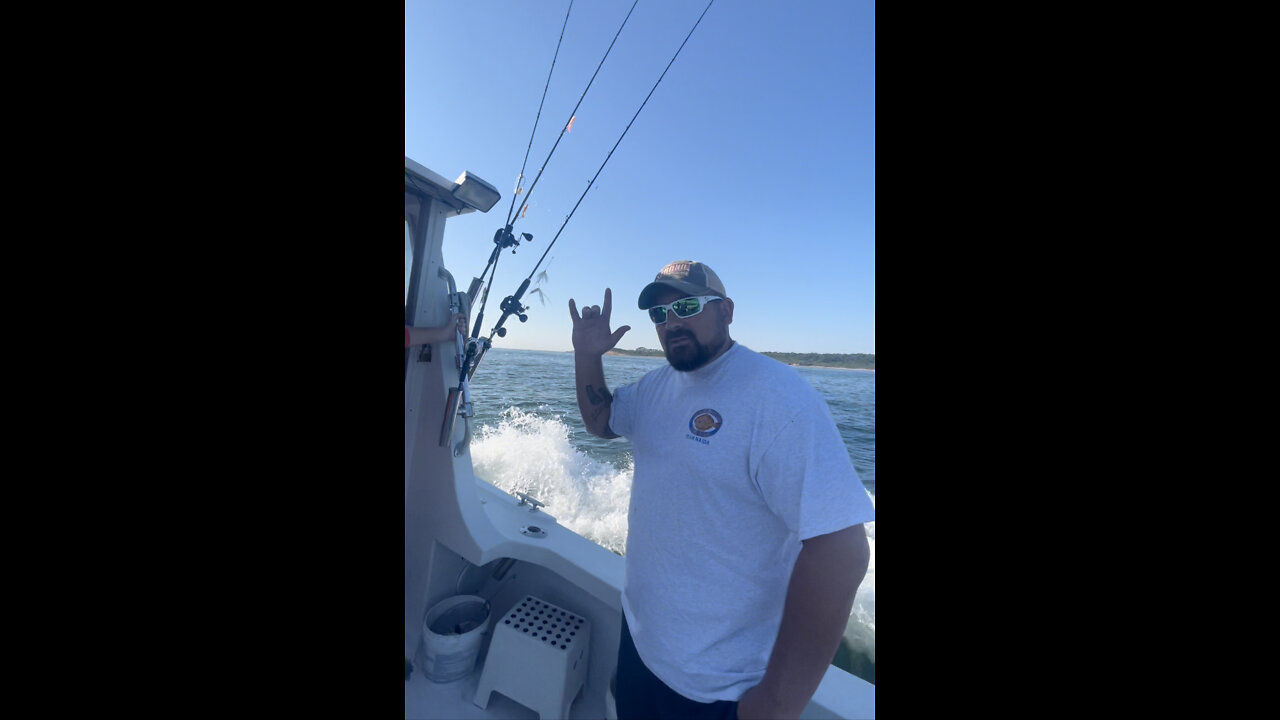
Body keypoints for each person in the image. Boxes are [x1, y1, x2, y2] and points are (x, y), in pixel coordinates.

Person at [568, 260, 874, 720]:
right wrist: (587, 356)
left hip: (717, 686)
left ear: (726, 311)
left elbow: (841, 552)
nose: (672, 323)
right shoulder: (655, 387)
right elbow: (599, 420)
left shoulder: (778, 398)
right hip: (642, 643)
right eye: (660, 315)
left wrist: (776, 704)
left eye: (687, 306)